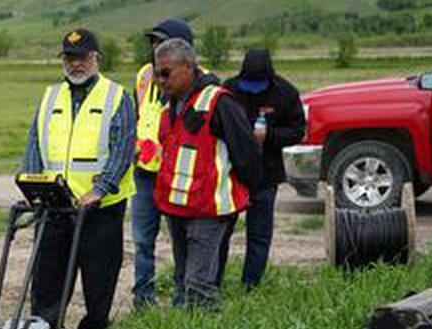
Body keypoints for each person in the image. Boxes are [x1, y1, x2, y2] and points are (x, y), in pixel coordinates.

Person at [21, 28, 136, 329]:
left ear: (95, 58)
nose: (76, 64)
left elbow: (123, 149)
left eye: (82, 57)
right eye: (69, 58)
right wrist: (33, 188)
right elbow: (35, 144)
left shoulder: (117, 97)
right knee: (47, 277)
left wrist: (98, 190)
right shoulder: (50, 97)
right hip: (56, 205)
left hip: (100, 208)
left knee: (99, 278)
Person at [151, 38, 261, 308]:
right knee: (182, 279)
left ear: (188, 67)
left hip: (209, 210)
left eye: (166, 73)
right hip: (177, 208)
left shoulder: (219, 102)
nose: (160, 80)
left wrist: (246, 192)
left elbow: (246, 153)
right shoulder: (170, 105)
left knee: (199, 285)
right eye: (157, 73)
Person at [217, 48, 306, 290]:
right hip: (231, 176)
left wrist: (270, 136)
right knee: (221, 232)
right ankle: (213, 282)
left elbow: (298, 131)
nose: (253, 90)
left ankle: (250, 285)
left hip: (266, 176)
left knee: (259, 234)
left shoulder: (286, 93)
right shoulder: (229, 89)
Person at [131, 19, 195, 308]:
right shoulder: (144, 75)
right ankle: (143, 300)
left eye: (162, 42)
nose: (155, 48)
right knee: (142, 241)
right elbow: (137, 113)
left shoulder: (192, 81)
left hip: (176, 174)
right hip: (145, 173)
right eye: (153, 42)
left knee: (182, 242)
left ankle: (183, 299)